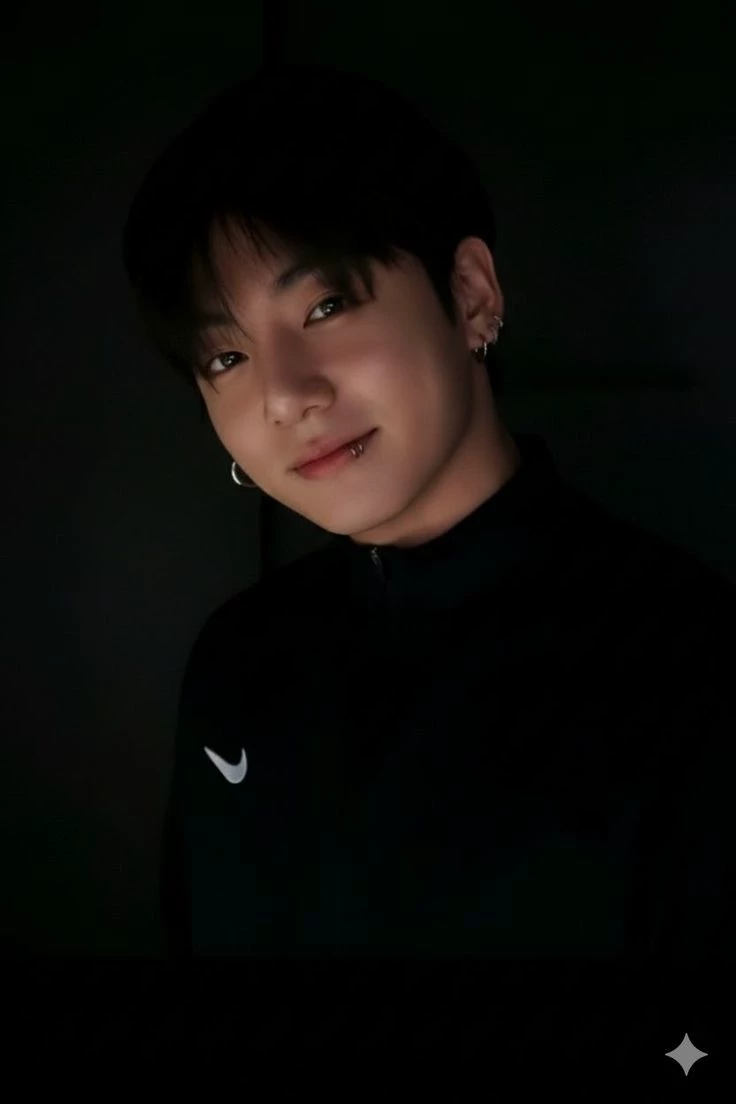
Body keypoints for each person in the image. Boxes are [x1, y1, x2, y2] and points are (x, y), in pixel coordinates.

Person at [121, 60, 735, 970]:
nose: (285, 395)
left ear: (471, 294)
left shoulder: (688, 664)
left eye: (326, 305)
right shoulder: (239, 662)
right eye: (225, 358)